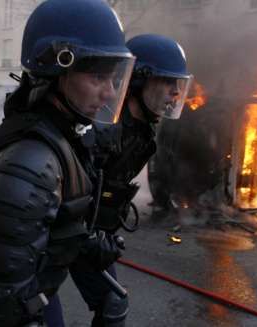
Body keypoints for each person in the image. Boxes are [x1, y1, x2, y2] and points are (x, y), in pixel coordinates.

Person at [0, 1, 135, 326]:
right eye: (99, 77)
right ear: (57, 69)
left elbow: (56, 221)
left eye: (113, 79)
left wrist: (84, 244)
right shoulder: (31, 163)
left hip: (33, 288)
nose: (110, 93)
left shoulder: (64, 134)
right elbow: (5, 303)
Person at [68, 34, 193, 326]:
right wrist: (85, 235)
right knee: (32, 310)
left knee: (113, 303)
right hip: (55, 239)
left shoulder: (143, 131)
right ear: (139, 80)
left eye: (178, 85)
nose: (175, 92)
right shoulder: (99, 127)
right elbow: (62, 195)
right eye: (167, 82)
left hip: (92, 233)